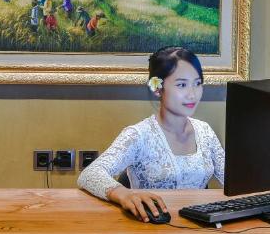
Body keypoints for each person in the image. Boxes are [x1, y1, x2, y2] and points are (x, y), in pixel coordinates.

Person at [77, 46, 225, 221]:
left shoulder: (205, 131)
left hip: (199, 225)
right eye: (182, 85)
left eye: (197, 83)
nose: (192, 94)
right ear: (157, 88)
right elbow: (90, 174)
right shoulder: (138, 135)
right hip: (152, 226)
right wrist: (124, 194)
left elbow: (232, 178)